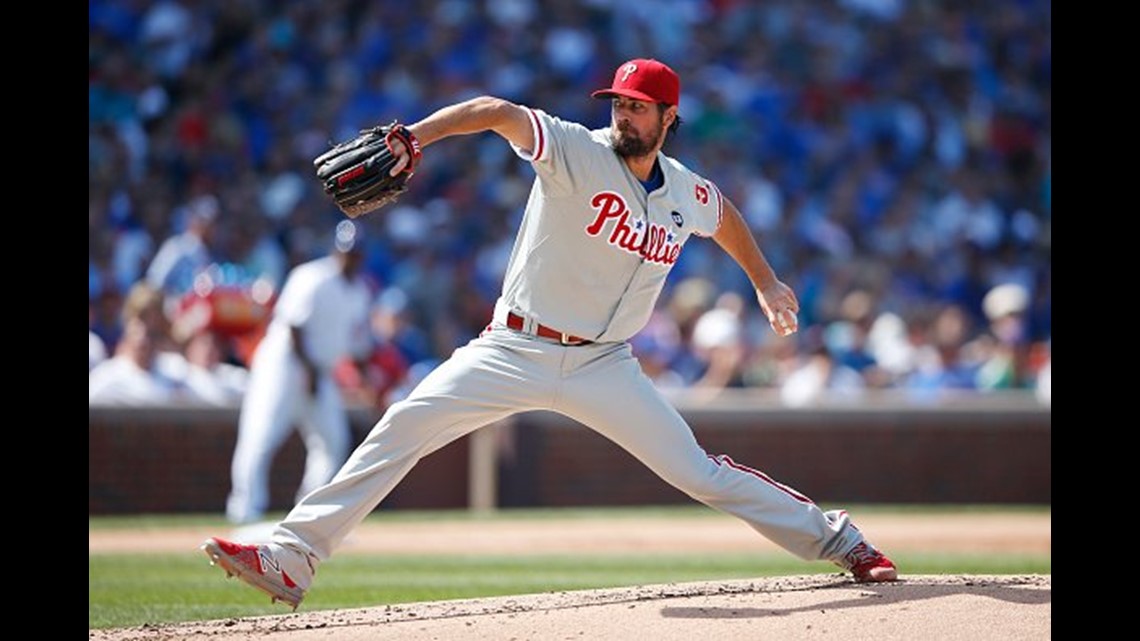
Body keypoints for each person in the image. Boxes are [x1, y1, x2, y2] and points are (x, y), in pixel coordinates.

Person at [202, 58, 897, 610]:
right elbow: (496, 112)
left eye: (637, 106)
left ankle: (841, 539)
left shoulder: (687, 189)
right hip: (515, 346)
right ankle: (292, 555)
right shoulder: (573, 149)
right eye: (618, 103)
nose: (623, 114)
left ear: (669, 117)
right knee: (404, 424)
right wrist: (418, 135)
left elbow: (726, 217)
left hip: (606, 365)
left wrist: (765, 281)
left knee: (700, 473)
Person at [223, 220, 374, 526]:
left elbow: (358, 348)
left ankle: (309, 514)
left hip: (318, 369)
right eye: (346, 251)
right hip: (283, 364)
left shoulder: (359, 292)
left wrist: (367, 382)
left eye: (356, 253)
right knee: (262, 434)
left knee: (333, 440)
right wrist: (312, 376)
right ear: (336, 250)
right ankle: (245, 509)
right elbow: (294, 328)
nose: (350, 257)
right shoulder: (311, 277)